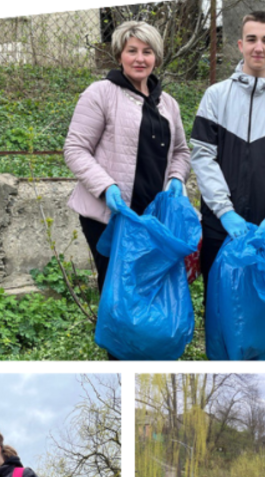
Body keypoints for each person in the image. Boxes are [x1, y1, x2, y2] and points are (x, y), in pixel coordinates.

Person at [63, 20, 190, 295]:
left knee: (149, 287)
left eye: (147, 51)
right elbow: (75, 148)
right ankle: (116, 338)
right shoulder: (101, 93)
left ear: (156, 57)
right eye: (132, 50)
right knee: (116, 289)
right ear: (120, 54)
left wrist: (177, 178)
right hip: (112, 214)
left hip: (154, 216)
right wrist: (106, 187)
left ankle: (146, 339)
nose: (140, 59)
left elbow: (181, 150)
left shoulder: (167, 103)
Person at [190, 10, 265, 303]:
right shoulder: (215, 96)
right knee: (219, 305)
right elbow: (202, 158)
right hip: (219, 226)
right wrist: (224, 212)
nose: (259, 47)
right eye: (251, 39)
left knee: (260, 306)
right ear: (240, 45)